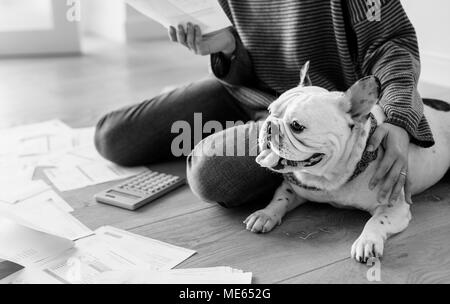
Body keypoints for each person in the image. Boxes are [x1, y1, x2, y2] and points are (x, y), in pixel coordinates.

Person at [95, 0, 434, 208]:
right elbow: (242, 71)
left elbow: (391, 43)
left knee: (210, 173)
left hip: (316, 118)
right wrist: (227, 48)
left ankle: (317, 167)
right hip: (253, 97)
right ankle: (284, 161)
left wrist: (399, 114)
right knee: (111, 136)